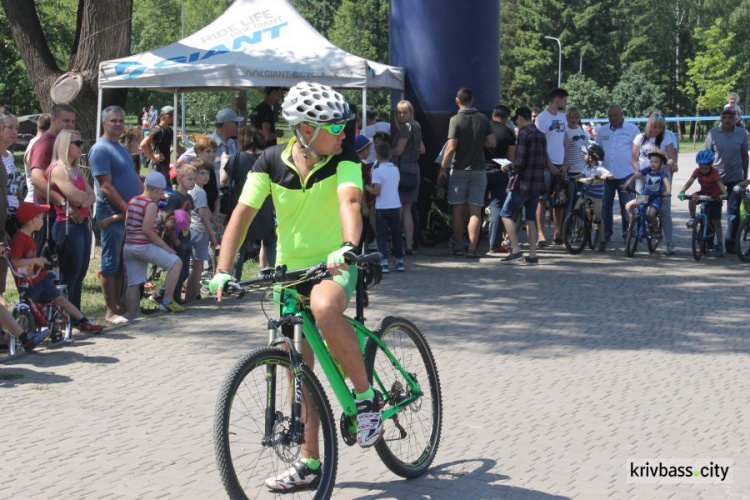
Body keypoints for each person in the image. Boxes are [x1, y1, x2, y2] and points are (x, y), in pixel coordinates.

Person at [209, 81, 383, 491]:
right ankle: (309, 461)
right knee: (295, 370)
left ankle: (366, 398)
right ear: (306, 131)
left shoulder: (344, 161)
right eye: (336, 128)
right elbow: (241, 215)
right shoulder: (269, 162)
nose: (345, 135)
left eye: (345, 127)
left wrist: (347, 245)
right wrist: (222, 268)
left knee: (324, 307)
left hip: (335, 264)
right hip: (288, 273)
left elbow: (351, 203)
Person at [10, 202, 102, 333]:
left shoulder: (30, 237)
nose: (43, 220)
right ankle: (26, 333)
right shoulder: (19, 239)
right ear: (33, 220)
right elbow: (15, 262)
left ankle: (83, 321)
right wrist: (36, 260)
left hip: (38, 280)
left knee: (61, 300)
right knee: (32, 307)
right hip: (28, 283)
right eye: (41, 218)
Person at [89, 105, 143, 325]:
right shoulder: (101, 149)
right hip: (112, 213)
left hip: (128, 214)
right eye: (114, 121)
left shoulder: (120, 148)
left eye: (121, 121)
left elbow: (133, 177)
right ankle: (110, 310)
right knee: (110, 261)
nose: (119, 124)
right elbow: (106, 187)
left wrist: (145, 199)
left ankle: (120, 305)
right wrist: (127, 209)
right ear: (104, 122)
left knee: (122, 261)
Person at [438, 88, 495, 258]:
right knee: (476, 211)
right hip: (479, 169)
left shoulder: (455, 120)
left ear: (457, 100)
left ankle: (457, 246)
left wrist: (442, 168)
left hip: (460, 170)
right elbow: (492, 142)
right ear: (473, 99)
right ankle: (472, 249)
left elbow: (451, 147)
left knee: (458, 210)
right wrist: (478, 143)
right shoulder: (483, 119)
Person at [47, 129, 96, 311]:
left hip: (82, 223)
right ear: (65, 146)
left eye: (81, 142)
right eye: (77, 143)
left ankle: (76, 313)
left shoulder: (76, 169)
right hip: (66, 225)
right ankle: (64, 315)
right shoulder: (58, 170)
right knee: (71, 271)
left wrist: (83, 198)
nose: (81, 147)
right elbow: (78, 198)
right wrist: (83, 198)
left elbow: (92, 196)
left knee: (81, 271)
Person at [123, 172, 183, 317]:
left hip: (129, 246)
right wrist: (165, 246)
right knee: (176, 263)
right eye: (162, 192)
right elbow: (147, 230)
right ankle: (167, 300)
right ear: (157, 190)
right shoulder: (150, 205)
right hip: (143, 246)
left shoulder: (133, 200)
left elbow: (128, 224)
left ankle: (133, 314)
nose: (162, 195)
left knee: (134, 283)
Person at [222, 126, 275, 277]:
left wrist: (224, 162)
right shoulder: (268, 157)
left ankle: (234, 278)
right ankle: (269, 274)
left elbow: (223, 180)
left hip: (243, 204)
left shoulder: (237, 158)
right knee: (268, 241)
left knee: (240, 243)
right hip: (265, 205)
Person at [500, 107, 547, 264]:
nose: (516, 123)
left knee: (505, 213)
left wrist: (508, 167)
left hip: (523, 183)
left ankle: (516, 250)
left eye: (516, 120)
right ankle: (533, 255)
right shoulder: (541, 135)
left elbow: (519, 162)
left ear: (521, 118)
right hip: (537, 183)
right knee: (530, 219)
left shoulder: (524, 134)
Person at [28, 104, 77, 252]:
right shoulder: (45, 143)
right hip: (48, 217)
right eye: (66, 120)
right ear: (53, 119)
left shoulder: (63, 142)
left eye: (73, 121)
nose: (70, 125)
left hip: (62, 216)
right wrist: (63, 203)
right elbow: (37, 179)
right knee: (46, 266)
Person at [631, 112, 678, 253]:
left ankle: (669, 242)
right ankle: (639, 235)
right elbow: (633, 158)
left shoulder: (666, 137)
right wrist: (638, 169)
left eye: (659, 128)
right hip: (644, 177)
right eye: (654, 127)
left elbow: (672, 157)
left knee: (664, 210)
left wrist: (667, 166)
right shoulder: (640, 138)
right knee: (640, 204)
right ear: (648, 125)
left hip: (660, 177)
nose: (656, 130)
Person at [704, 108, 749, 252]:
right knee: (711, 211)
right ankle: (709, 240)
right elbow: (706, 155)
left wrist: (744, 176)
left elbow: (744, 156)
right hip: (716, 179)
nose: (727, 120)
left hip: (735, 178)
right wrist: (706, 176)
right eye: (725, 117)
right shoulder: (712, 133)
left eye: (731, 117)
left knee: (733, 213)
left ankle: (731, 243)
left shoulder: (742, 134)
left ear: (735, 118)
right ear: (721, 118)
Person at [596, 104, 640, 244]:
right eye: (610, 115)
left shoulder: (632, 130)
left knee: (626, 205)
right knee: (605, 205)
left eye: (615, 115)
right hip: (607, 174)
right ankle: (605, 234)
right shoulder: (602, 130)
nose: (612, 118)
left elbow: (638, 150)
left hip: (626, 173)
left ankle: (627, 233)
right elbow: (598, 150)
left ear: (621, 114)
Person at [151, 164, 195, 305]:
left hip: (186, 237)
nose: (193, 182)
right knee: (178, 269)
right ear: (180, 179)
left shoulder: (188, 197)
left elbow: (189, 216)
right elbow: (167, 220)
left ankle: (162, 294)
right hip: (176, 239)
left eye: (194, 179)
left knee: (185, 272)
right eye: (190, 179)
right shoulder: (175, 198)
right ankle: (171, 298)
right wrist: (175, 240)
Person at [534, 88, 568, 246]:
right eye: (564, 100)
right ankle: (540, 233)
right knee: (542, 199)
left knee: (559, 200)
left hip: (561, 164)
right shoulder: (542, 118)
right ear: (558, 99)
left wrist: (566, 162)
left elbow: (566, 140)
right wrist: (550, 164)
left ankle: (557, 231)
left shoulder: (563, 117)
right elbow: (540, 144)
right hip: (546, 166)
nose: (565, 103)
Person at [678, 149, 728, 253]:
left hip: (715, 197)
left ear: (710, 165)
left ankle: (719, 243)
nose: (703, 170)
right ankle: (692, 219)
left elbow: (720, 184)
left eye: (706, 168)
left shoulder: (715, 172)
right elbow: (690, 181)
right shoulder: (697, 171)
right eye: (701, 168)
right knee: (692, 198)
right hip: (704, 193)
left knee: (716, 222)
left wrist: (724, 194)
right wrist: (682, 191)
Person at [391, 100, 425, 256]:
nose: (401, 115)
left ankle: (397, 245)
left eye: (405, 112)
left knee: (398, 208)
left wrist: (385, 151)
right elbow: (422, 149)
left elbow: (399, 150)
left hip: (401, 169)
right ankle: (409, 245)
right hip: (414, 169)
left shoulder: (405, 128)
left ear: (411, 113)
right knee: (408, 209)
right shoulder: (417, 127)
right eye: (399, 112)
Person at [366, 142, 404, 273]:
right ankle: (400, 261)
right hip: (395, 205)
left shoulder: (377, 171)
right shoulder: (395, 169)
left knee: (381, 236)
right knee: (397, 234)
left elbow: (377, 191)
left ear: (377, 156)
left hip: (382, 207)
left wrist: (366, 187)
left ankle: (384, 262)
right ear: (390, 155)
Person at [484, 104, 516, 254]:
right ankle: (495, 244)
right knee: (497, 208)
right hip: (499, 172)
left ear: (493, 115)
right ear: (507, 118)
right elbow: (511, 157)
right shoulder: (509, 132)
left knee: (476, 206)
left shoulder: (484, 128)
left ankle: (471, 241)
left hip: (481, 171)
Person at [186, 160, 218, 302]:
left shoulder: (192, 190)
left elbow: (206, 212)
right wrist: (212, 234)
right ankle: (191, 297)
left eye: (208, 173)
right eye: (202, 173)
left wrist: (214, 221)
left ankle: (190, 295)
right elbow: (203, 215)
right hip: (199, 231)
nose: (206, 176)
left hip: (191, 230)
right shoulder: (200, 192)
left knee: (194, 266)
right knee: (198, 267)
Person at [624, 150, 671, 237]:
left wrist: (667, 192)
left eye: (656, 162)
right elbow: (636, 176)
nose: (653, 164)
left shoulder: (662, 174)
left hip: (656, 198)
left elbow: (668, 186)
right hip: (645, 196)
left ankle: (656, 230)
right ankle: (631, 228)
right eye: (651, 161)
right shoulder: (647, 170)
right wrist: (627, 184)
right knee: (628, 206)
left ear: (661, 164)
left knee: (651, 214)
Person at [576, 142, 613, 251]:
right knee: (576, 210)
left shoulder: (599, 169)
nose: (584, 156)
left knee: (597, 216)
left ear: (592, 157)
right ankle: (579, 231)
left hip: (596, 197)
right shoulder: (586, 168)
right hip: (586, 193)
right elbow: (581, 175)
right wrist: (573, 177)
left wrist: (604, 177)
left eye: (586, 154)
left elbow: (611, 175)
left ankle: (602, 240)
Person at [561, 106, 590, 210]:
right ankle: (568, 226)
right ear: (567, 118)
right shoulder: (566, 131)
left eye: (576, 117)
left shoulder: (581, 130)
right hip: (571, 171)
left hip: (582, 170)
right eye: (571, 117)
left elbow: (582, 146)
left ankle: (579, 225)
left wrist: (586, 155)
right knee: (570, 203)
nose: (574, 120)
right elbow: (564, 149)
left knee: (581, 202)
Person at [0, 113, 24, 237]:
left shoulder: (9, 155)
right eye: (10, 127)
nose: (15, 131)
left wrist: (21, 203)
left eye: (17, 127)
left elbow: (15, 185)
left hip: (15, 214)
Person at [140, 105, 174, 186]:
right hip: (157, 167)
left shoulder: (169, 131)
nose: (174, 119)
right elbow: (143, 144)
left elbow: (177, 147)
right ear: (167, 117)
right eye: (173, 117)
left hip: (165, 167)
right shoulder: (156, 130)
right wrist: (153, 157)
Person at [23, 113, 51, 203]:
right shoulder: (38, 146)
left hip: (39, 202)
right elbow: (39, 179)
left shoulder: (37, 143)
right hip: (35, 203)